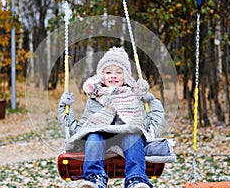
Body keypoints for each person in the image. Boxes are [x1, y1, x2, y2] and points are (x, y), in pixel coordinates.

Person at [57, 47, 165, 188]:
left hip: (128, 139)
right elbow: (78, 128)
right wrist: (64, 107)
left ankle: (136, 180)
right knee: (94, 136)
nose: (113, 76)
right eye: (108, 72)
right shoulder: (94, 98)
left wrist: (152, 101)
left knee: (134, 136)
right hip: (100, 139)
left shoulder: (134, 97)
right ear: (101, 76)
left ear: (126, 76)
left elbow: (152, 125)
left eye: (119, 72)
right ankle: (94, 178)